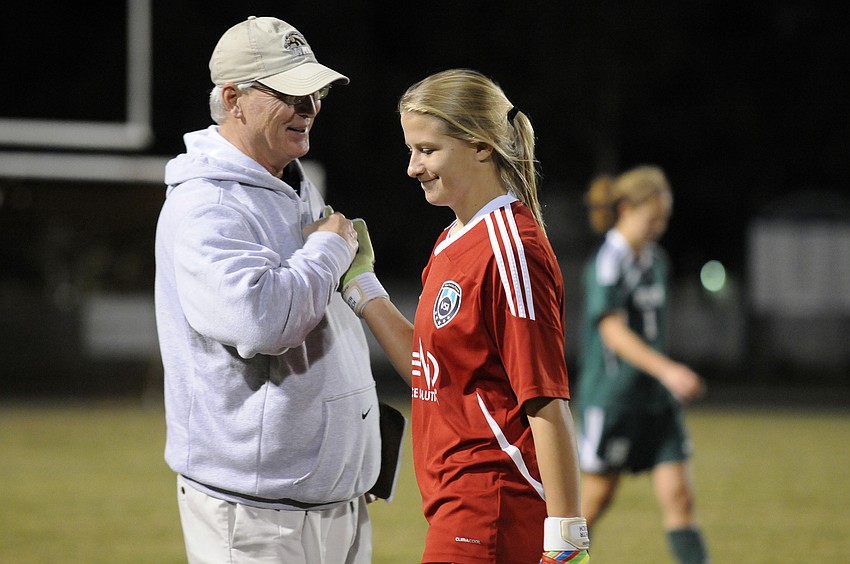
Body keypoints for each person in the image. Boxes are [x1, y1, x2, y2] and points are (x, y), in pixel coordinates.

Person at [337, 68, 590, 564]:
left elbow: (546, 401)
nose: (412, 167)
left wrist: (566, 545)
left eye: (428, 150)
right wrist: (362, 286)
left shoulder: (510, 248)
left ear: (480, 147)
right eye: (411, 150)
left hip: (494, 508)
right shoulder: (454, 237)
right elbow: (428, 366)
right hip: (455, 508)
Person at [154, 16, 382, 564]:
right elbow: (264, 320)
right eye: (292, 93)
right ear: (233, 98)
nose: (311, 108)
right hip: (257, 512)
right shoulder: (206, 204)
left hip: (326, 500)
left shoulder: (289, 181)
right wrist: (329, 249)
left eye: (316, 92)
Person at [577, 165, 710, 563]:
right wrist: (668, 369)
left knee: (680, 498)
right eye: (653, 218)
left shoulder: (656, 261)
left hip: (656, 401)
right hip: (614, 399)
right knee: (593, 504)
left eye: (664, 219)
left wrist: (663, 378)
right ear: (625, 210)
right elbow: (613, 333)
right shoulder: (608, 262)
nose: (660, 227)